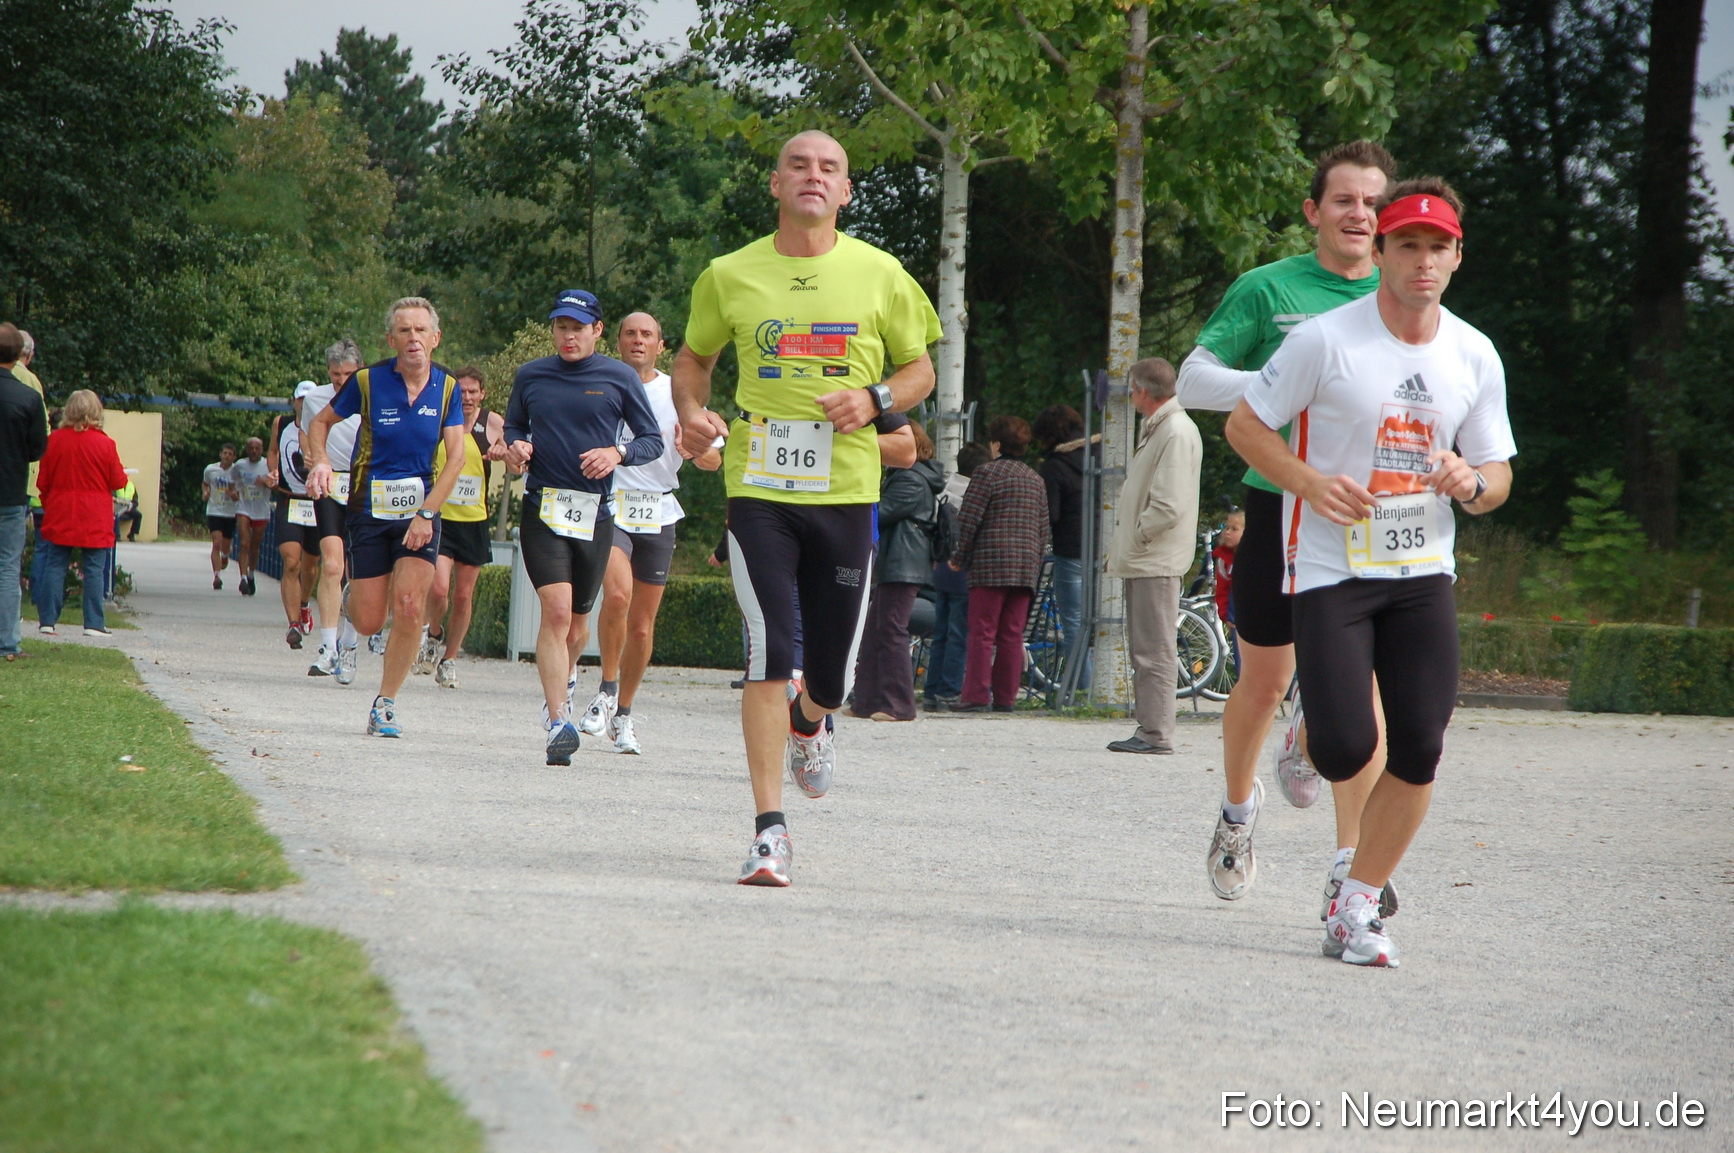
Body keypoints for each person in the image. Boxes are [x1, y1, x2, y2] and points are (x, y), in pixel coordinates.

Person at [1225, 178, 1514, 967]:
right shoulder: (1325, 339)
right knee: (1349, 746)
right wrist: (1310, 483)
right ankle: (1315, 723)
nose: (1423, 261)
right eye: (1408, 245)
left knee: (1419, 741)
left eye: (1438, 247)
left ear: (1458, 257)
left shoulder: (1472, 352)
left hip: (1424, 571)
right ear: (1381, 250)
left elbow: (1497, 473)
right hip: (1333, 567)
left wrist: (1473, 483)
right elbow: (1246, 425)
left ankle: (1357, 903)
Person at [674, 129, 940, 886]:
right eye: (799, 164)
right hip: (758, 484)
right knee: (768, 650)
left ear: (846, 191)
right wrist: (692, 410)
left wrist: (874, 397)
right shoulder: (729, 274)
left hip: (847, 490)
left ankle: (811, 717)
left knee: (832, 673)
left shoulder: (880, 273)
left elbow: (920, 367)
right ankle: (768, 830)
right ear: (775, 182)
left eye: (829, 168)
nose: (813, 176)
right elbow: (692, 359)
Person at [1175, 140, 1398, 905]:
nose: (1359, 214)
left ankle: (1351, 866)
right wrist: (1290, 384)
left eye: (1373, 203)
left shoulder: (1406, 297)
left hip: (1367, 513)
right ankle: (1238, 812)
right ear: (1314, 211)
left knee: (1362, 690)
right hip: (1278, 505)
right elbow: (1192, 378)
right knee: (1265, 681)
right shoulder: (1269, 289)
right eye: (1344, 200)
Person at [504, 289, 662, 766]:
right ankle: (557, 723)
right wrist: (517, 448)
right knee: (555, 613)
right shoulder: (531, 375)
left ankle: (565, 685)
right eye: (560, 327)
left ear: (596, 330)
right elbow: (513, 429)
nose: (568, 336)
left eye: (577, 327)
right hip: (543, 510)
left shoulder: (618, 377)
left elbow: (651, 440)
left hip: (595, 515)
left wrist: (617, 453)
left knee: (577, 624)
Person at [306, 298, 467, 738]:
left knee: (412, 605)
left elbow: (454, 460)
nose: (413, 339)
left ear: (435, 338)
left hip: (420, 512)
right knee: (371, 619)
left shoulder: (448, 388)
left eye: (421, 331)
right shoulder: (368, 381)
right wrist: (320, 461)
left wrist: (427, 513)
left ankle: (386, 703)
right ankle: (360, 603)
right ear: (390, 339)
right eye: (404, 331)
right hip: (368, 511)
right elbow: (319, 423)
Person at [576, 312, 718, 752]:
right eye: (631, 334)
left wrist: (692, 450)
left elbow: (714, 461)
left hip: (658, 509)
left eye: (648, 335)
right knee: (617, 595)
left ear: (661, 346)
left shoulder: (679, 395)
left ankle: (624, 715)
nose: (638, 341)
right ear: (616, 341)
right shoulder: (597, 381)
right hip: (609, 505)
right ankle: (606, 688)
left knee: (641, 627)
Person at [1103, 359, 1202, 754]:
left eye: (1132, 389)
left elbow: (1168, 504)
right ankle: (1150, 727)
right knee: (1148, 646)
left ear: (1144, 391)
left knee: (1153, 648)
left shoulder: (1174, 431)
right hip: (1151, 555)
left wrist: (1140, 537)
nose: (1131, 396)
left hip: (1154, 557)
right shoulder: (1167, 428)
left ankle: (1156, 732)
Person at [947, 415, 1048, 713]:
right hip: (1025, 567)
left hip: (990, 566)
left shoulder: (986, 474)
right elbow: (1043, 529)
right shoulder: (1036, 479)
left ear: (998, 444)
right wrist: (1035, 562)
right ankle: (1006, 698)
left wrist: (958, 557)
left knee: (982, 631)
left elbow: (969, 519)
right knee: (1012, 634)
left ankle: (976, 695)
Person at [419, 366, 507, 689]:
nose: (467, 397)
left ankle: (450, 658)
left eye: (473, 392)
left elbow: (516, 459)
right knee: (439, 587)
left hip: (474, 520)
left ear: (482, 393)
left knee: (464, 594)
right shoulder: (442, 420)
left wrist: (502, 452)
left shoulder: (492, 423)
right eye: (463, 392)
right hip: (442, 517)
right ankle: (434, 631)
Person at [850, 422, 943, 721]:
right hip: (898, 563)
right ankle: (866, 702)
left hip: (904, 564)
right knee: (876, 629)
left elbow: (882, 512)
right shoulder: (908, 476)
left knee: (890, 630)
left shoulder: (912, 479)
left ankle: (899, 705)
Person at [33, 390, 126, 636]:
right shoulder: (105, 443)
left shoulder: (54, 441)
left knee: (55, 564)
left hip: (61, 510)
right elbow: (118, 481)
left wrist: (49, 501)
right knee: (94, 568)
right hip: (94, 514)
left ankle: (47, 620)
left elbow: (43, 481)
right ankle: (94, 622)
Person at [302, 340, 364, 681]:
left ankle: (350, 644)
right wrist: (312, 459)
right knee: (332, 564)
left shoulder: (372, 394)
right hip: (329, 484)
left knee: (358, 572)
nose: (342, 381)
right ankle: (328, 647)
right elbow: (306, 432)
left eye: (348, 374)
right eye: (336, 374)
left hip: (363, 487)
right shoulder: (314, 400)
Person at [922, 441, 989, 710]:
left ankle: (931, 689)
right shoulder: (975, 493)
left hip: (940, 569)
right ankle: (950, 689)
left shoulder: (945, 491)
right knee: (959, 633)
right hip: (963, 570)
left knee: (941, 632)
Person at [1034, 405, 1094, 690]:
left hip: (1071, 548)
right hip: (1106, 548)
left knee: (1073, 621)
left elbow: (1051, 514)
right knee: (1102, 620)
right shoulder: (1105, 455)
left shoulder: (1055, 466)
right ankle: (1104, 686)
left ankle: (1081, 688)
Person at [0, 325, 48, 660]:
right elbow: (37, 449)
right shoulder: (29, 398)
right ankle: (7, 641)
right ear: (20, 356)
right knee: (6, 567)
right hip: (11, 492)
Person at [268, 383, 321, 651]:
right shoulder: (282, 423)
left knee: (311, 567)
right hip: (289, 499)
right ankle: (292, 625)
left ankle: (303, 605)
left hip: (315, 502)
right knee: (291, 562)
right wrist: (272, 471)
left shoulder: (324, 423)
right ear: (294, 401)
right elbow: (273, 451)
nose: (305, 403)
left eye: (310, 399)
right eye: (301, 399)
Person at [231, 437, 272, 595]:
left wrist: (267, 482)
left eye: (257, 448)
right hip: (244, 508)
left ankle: (251, 574)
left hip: (261, 510)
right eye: (251, 448)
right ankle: (242, 579)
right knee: (244, 543)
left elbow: (276, 485)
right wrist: (233, 492)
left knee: (254, 547)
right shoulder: (240, 465)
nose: (254, 451)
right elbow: (231, 482)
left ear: (262, 450)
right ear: (247, 449)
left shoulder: (268, 464)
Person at [202, 443, 239, 590]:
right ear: (220, 454)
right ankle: (217, 576)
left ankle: (225, 556)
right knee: (216, 543)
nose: (227, 456)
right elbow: (205, 483)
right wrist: (205, 493)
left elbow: (239, 492)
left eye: (230, 454)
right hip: (214, 510)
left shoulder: (237, 471)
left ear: (234, 457)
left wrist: (234, 494)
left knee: (226, 546)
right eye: (225, 453)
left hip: (230, 512)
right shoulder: (211, 469)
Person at [1211, 509, 1244, 674]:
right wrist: (1225, 614)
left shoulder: (1253, 556)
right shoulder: (1223, 559)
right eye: (1227, 528)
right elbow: (1222, 589)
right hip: (1235, 616)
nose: (1228, 532)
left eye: (1234, 529)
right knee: (1243, 665)